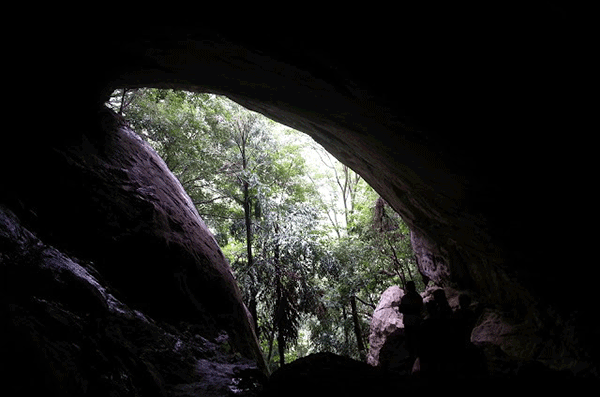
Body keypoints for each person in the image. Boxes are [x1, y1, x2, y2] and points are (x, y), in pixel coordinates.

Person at [398, 281, 423, 362]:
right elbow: (421, 308)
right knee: (418, 339)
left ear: (407, 288)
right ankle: (419, 356)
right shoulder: (418, 297)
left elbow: (401, 309)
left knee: (410, 340)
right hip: (417, 321)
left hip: (408, 321)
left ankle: (411, 357)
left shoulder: (405, 298)